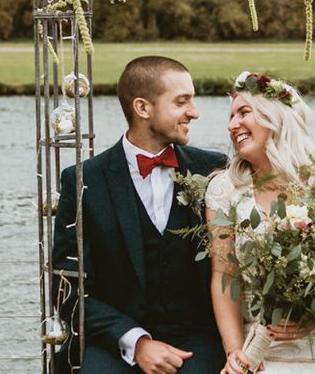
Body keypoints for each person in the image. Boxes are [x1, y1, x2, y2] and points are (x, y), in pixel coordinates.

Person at [53, 56, 227, 373]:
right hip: (114, 341)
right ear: (143, 108)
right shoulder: (82, 182)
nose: (195, 112)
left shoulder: (213, 169)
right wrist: (138, 343)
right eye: (182, 101)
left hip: (197, 338)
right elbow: (67, 290)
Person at [205, 72, 315, 374]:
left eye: (243, 112)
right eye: (230, 117)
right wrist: (235, 351)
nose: (232, 125)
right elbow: (224, 278)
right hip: (261, 346)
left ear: (275, 118)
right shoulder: (224, 190)